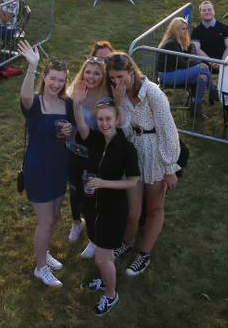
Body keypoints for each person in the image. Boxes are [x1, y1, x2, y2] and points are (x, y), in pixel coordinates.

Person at [105, 52, 180, 277]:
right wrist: (118, 102)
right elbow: (121, 128)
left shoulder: (153, 93)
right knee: (133, 210)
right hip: (134, 154)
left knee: (154, 208)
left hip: (156, 153)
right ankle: (127, 241)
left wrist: (169, 167)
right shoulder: (120, 95)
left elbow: (168, 130)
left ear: (131, 71)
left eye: (120, 76)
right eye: (112, 78)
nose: (117, 82)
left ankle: (144, 253)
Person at [18, 39, 83, 288]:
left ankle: (43, 252)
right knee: (45, 221)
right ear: (45, 78)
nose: (56, 84)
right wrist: (31, 66)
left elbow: (75, 129)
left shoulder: (65, 104)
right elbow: (24, 96)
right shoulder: (34, 103)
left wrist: (71, 128)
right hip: (38, 168)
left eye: (60, 79)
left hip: (59, 167)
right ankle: (40, 268)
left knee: (55, 217)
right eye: (52, 78)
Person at [77, 99, 140, 316]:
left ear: (117, 119)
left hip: (113, 208)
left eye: (108, 119)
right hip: (95, 205)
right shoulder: (96, 140)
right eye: (101, 119)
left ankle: (111, 295)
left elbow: (132, 181)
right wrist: (76, 104)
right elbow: (82, 127)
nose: (104, 123)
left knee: (101, 257)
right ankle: (105, 281)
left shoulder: (126, 148)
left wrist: (104, 183)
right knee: (107, 255)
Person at [65, 56, 109, 252]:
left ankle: (94, 237)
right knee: (74, 192)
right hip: (71, 151)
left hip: (92, 155)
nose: (91, 77)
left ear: (103, 76)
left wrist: (77, 106)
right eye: (88, 72)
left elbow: (86, 133)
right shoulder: (72, 91)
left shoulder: (105, 99)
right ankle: (76, 223)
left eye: (97, 73)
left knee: (90, 196)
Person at [156, 17, 214, 120]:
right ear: (175, 29)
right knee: (203, 68)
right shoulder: (171, 43)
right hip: (167, 76)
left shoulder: (178, 42)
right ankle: (213, 92)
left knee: (203, 77)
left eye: (187, 28)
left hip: (175, 73)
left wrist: (189, 53)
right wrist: (198, 62)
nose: (186, 31)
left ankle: (196, 111)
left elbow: (183, 62)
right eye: (183, 29)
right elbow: (182, 64)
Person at [190, 1, 228, 70]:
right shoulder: (196, 31)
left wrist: (222, 63)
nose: (207, 12)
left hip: (224, 62)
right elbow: (197, 50)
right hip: (204, 63)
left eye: (209, 10)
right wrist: (212, 62)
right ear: (200, 14)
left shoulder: (224, 28)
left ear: (214, 12)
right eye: (204, 10)